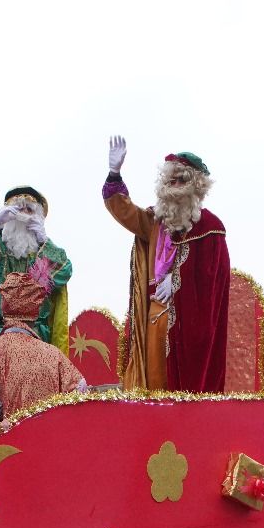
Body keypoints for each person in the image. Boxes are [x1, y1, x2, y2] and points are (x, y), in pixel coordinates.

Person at [103, 135, 231, 392]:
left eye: (181, 179)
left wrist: (178, 279)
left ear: (196, 186)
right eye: (170, 180)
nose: (174, 185)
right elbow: (126, 213)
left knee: (182, 388)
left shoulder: (210, 227)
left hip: (187, 324)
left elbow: (212, 281)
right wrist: (114, 173)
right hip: (153, 317)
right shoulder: (155, 222)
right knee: (153, 388)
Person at [0, 186, 73, 363]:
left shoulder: (43, 254)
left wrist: (44, 241)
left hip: (36, 338)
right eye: (18, 208)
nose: (23, 214)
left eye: (29, 209)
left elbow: (64, 273)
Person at [0, 271, 88, 417]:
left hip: (3, 439)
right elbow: (80, 394)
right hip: (46, 436)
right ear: (36, 310)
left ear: (3, 305)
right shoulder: (54, 356)